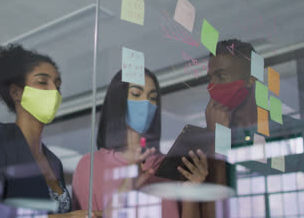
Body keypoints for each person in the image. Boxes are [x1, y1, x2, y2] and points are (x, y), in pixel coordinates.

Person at [0, 45, 98, 218]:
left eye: (57, 85)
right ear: (16, 92)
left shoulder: (54, 162)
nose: (54, 91)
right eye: (42, 82)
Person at [205, 39, 304, 217]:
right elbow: (210, 208)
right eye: (210, 78)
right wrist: (215, 137)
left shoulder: (295, 133)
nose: (212, 85)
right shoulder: (208, 138)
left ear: (251, 79)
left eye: (221, 76)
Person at [72, 69, 209, 218]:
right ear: (118, 100)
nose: (147, 103)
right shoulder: (90, 165)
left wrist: (191, 193)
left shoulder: (170, 166)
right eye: (136, 94)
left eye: (153, 97)